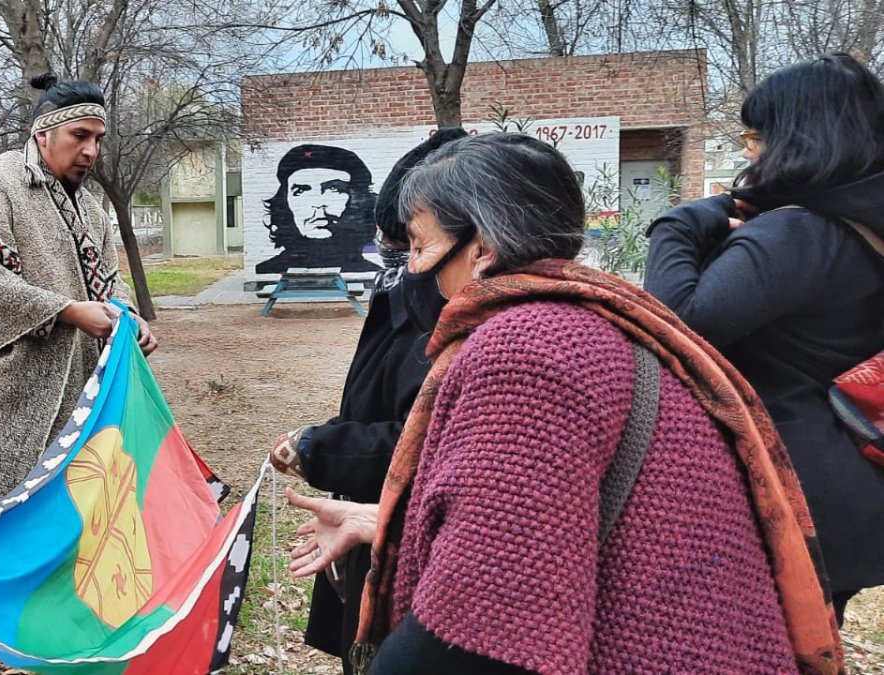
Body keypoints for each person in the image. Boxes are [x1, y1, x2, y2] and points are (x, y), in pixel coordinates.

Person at [286, 133, 841, 674]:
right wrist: (382, 519)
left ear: (482, 249)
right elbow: (544, 527)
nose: (410, 269)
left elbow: (483, 626)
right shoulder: (587, 321)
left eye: (418, 244)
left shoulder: (526, 351)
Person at [0, 73, 155, 675]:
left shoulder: (88, 204)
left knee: (75, 524)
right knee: (1, 533)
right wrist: (65, 310)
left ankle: (58, 645)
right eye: (79, 136)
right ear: (43, 134)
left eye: (98, 139)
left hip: (81, 392)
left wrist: (128, 314)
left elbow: (105, 283)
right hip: (10, 394)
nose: (90, 151)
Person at [645, 52, 884, 626]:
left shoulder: (799, 234)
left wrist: (680, 223)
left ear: (798, 135)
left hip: (784, 502)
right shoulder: (863, 227)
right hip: (847, 486)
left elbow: (678, 324)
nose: (750, 151)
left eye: (757, 135)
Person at [266, 129, 465, 673]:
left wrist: (322, 447)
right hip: (371, 520)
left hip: (412, 555)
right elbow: (375, 403)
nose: (398, 259)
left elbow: (428, 439)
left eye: (411, 244)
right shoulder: (400, 293)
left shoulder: (455, 323)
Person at [257, 144, 380, 275]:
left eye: (334, 189)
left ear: (359, 200)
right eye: (301, 191)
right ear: (284, 203)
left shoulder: (373, 272)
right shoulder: (267, 271)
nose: (317, 203)